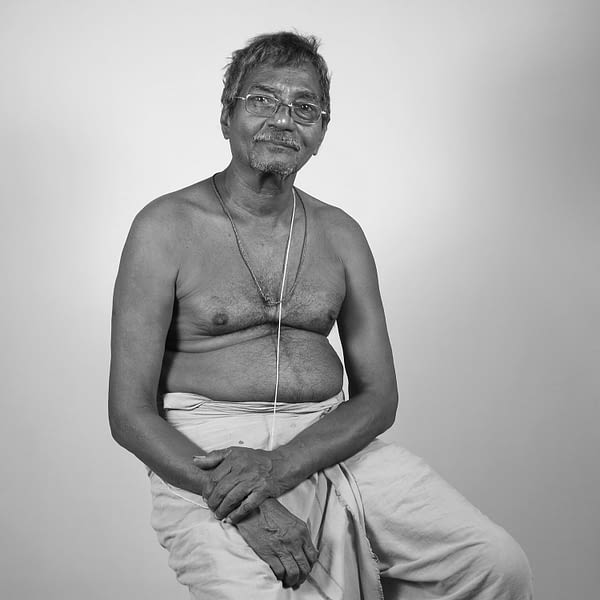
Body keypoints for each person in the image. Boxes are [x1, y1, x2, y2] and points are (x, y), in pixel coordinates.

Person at [109, 31, 533, 599]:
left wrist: (282, 465)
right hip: (211, 453)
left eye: (304, 108)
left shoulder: (341, 234)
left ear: (321, 133)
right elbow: (129, 414)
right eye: (263, 99)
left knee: (495, 565)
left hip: (326, 438)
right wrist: (242, 502)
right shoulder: (164, 227)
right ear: (227, 114)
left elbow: (379, 396)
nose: (284, 120)